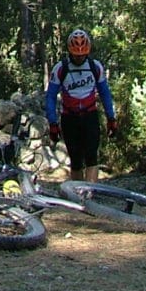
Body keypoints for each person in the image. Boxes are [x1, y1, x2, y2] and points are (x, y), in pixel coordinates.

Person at [45, 29, 119, 182]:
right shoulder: (60, 68)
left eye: (82, 55)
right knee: (76, 159)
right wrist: (52, 122)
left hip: (90, 116)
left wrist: (111, 118)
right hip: (69, 118)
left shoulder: (95, 67)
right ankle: (77, 195)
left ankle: (90, 193)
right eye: (76, 55)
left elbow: (105, 93)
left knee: (92, 156)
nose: (79, 58)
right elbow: (51, 96)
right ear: (70, 52)